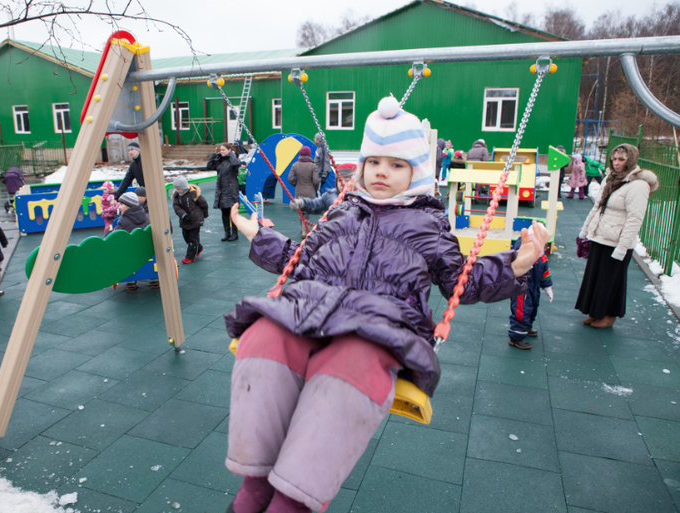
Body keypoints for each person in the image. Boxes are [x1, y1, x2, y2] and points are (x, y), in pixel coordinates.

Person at [223, 96, 550, 513]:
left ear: (417, 172)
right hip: (310, 309)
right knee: (263, 336)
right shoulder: (341, 212)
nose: (381, 171)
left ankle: (292, 501)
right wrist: (260, 236)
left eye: (396, 165)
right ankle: (254, 483)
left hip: (379, 325)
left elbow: (460, 283)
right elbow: (299, 259)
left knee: (353, 364)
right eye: (374, 161)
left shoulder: (429, 224)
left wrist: (515, 264)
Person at [576, 144, 658, 329]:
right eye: (614, 159)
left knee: (611, 279)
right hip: (601, 235)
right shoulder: (610, 178)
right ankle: (595, 311)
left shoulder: (638, 185)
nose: (616, 163)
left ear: (631, 160)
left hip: (616, 240)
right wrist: (585, 230)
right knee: (595, 277)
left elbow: (635, 219)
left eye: (621, 159)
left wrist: (622, 247)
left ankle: (609, 315)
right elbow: (598, 206)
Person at [508, 231, 553, 349]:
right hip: (521, 290)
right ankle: (516, 337)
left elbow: (545, 272)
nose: (543, 248)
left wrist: (547, 287)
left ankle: (526, 327)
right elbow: (512, 267)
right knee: (522, 312)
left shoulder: (541, 257)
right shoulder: (521, 254)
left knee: (533, 308)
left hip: (534, 288)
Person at [115, 191, 151, 291]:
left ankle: (130, 279)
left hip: (130, 252)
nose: (119, 207)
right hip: (146, 249)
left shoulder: (123, 221)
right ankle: (154, 278)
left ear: (129, 206)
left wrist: (109, 233)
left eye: (121, 204)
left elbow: (116, 236)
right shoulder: (146, 217)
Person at [289, 164, 356, 215]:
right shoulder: (330, 195)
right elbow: (315, 204)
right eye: (339, 180)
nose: (342, 183)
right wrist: (302, 203)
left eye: (347, 180)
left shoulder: (360, 198)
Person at [207, 142, 241, 242]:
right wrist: (214, 156)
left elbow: (236, 164)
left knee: (232, 213)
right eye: (220, 150)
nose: (221, 151)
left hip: (231, 190)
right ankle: (227, 233)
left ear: (229, 150)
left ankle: (235, 233)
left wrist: (231, 154)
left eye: (223, 150)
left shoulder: (234, 159)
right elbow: (209, 166)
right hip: (222, 189)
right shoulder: (220, 161)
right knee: (224, 213)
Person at [172, 176, 209, 264]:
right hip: (185, 220)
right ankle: (198, 248)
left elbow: (204, 204)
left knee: (193, 239)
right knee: (186, 237)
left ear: (184, 188)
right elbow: (176, 206)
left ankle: (190, 257)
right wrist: (183, 215)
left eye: (179, 189)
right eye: (176, 189)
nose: (177, 190)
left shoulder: (194, 194)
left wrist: (204, 215)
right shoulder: (177, 196)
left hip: (195, 220)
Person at [288, 146, 319, 238]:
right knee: (307, 210)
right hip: (310, 190)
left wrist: (296, 184)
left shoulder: (295, 165)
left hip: (299, 190)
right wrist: (314, 188)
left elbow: (290, 178)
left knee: (301, 210)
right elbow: (316, 181)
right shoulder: (313, 166)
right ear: (309, 154)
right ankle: (305, 229)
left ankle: (303, 229)